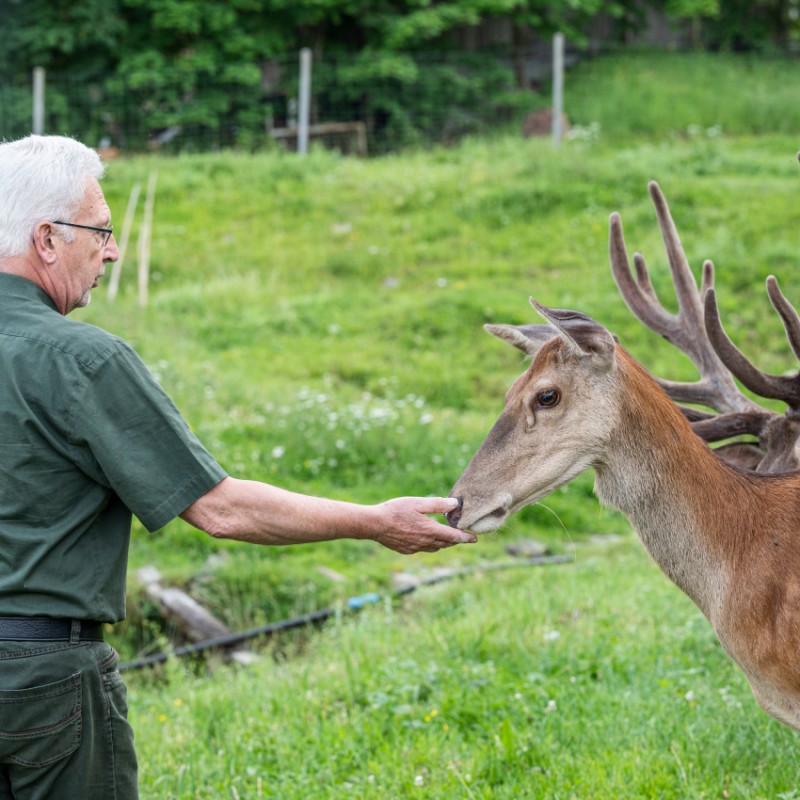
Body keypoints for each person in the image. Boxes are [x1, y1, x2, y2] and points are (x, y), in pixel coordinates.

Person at [0, 134, 476, 800]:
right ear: (47, 240)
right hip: (45, 686)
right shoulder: (85, 361)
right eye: (100, 232)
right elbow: (220, 509)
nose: (112, 251)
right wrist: (373, 521)